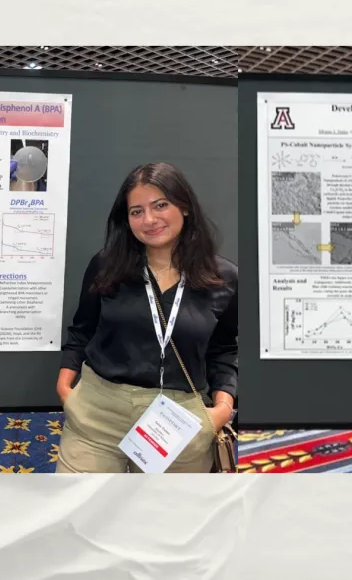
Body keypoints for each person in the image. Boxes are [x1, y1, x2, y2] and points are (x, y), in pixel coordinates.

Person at [54, 162, 238, 473]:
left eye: (160, 205)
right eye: (136, 211)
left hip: (178, 419)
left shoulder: (223, 278)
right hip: (99, 412)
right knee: (80, 516)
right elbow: (81, 332)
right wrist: (66, 390)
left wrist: (222, 408)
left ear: (185, 207)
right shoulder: (106, 266)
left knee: (166, 520)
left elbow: (224, 350)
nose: (149, 219)